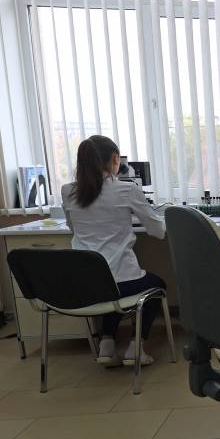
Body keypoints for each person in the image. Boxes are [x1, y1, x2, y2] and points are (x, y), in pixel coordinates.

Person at [60, 135, 167, 367]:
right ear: (115, 158)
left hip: (86, 284)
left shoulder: (67, 191)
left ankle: (106, 344)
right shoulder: (126, 190)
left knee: (109, 287)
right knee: (155, 286)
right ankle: (136, 347)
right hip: (121, 281)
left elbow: (72, 227)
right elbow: (158, 231)